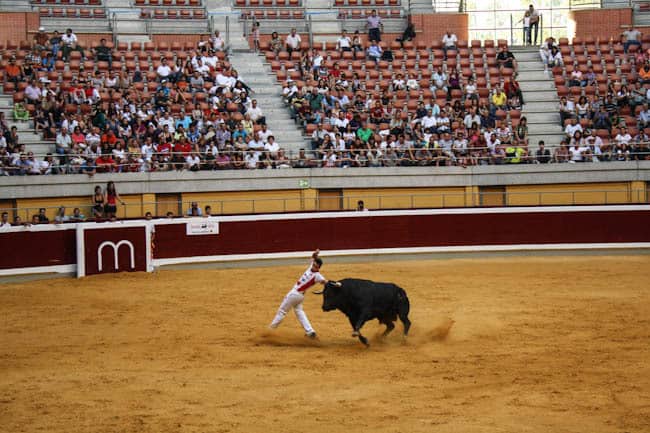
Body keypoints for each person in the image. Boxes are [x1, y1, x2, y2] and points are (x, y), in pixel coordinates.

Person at [269, 249, 335, 338]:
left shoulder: (318, 276)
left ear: (318, 267)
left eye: (316, 266)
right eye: (314, 264)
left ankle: (270, 331)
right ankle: (310, 331)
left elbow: (325, 282)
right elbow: (314, 258)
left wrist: (335, 284)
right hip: (300, 296)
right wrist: (315, 254)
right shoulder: (313, 268)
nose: (314, 266)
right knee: (299, 312)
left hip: (295, 294)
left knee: (282, 311)